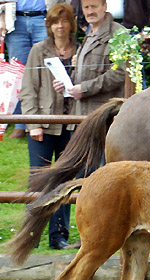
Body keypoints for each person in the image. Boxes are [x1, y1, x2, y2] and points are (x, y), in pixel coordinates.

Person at [20, 2, 78, 250]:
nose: (60, 26)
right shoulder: (38, 50)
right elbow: (28, 89)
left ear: (71, 24)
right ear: (49, 25)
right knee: (39, 180)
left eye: (64, 21)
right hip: (42, 125)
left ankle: (59, 235)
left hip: (71, 125)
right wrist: (33, 122)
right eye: (55, 22)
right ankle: (30, 233)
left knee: (64, 180)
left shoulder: (81, 49)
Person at [0, 0, 66, 139]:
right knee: (18, 73)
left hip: (44, 18)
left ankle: (50, 119)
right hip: (16, 20)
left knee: (47, 70)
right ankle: (21, 124)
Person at [53, 0, 125, 121]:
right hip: (80, 114)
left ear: (104, 7)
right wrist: (65, 85)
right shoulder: (89, 35)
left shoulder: (118, 33)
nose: (90, 11)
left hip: (105, 115)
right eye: (86, 7)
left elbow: (119, 73)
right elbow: (83, 74)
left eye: (94, 7)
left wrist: (84, 89)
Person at [71, 0, 150, 32]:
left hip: (130, 29)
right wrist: (84, 25)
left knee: (132, 73)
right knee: (96, 69)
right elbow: (76, 6)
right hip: (97, 28)